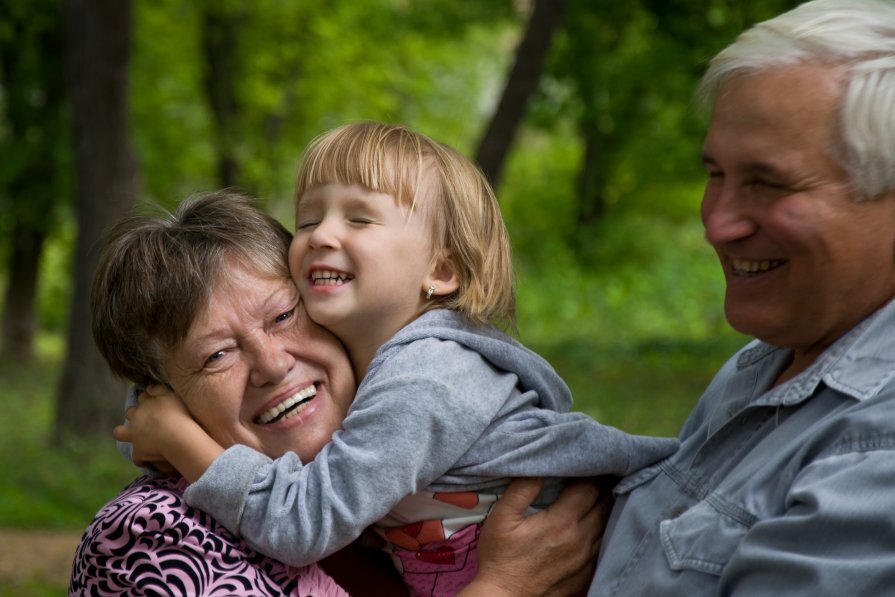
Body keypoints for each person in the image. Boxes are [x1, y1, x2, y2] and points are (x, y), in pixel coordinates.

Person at [116, 123, 677, 595]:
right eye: (308, 220)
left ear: (442, 271)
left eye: (359, 219)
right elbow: (164, 397)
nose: (321, 235)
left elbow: (304, 522)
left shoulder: (425, 379)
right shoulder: (156, 538)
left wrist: (182, 441)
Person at [73, 191, 605, 595]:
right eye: (216, 356)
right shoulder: (150, 536)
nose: (272, 364)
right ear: (159, 396)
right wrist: (502, 588)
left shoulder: (394, 462)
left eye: (284, 315)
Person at [588, 0, 895, 594]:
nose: (717, 224)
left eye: (768, 183)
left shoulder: (877, 448)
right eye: (715, 175)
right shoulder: (771, 359)